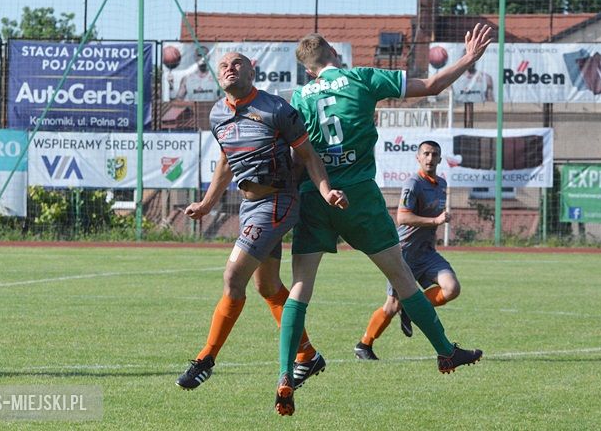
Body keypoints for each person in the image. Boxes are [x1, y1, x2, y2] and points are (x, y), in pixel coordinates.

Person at [274, 24, 492, 416]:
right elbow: (432, 85)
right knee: (402, 279)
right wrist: (468, 58)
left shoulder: (300, 98)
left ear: (307, 70)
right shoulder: (361, 77)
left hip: (315, 195)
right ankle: (445, 352)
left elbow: (296, 156)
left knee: (301, 287)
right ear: (335, 55)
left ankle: (286, 374)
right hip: (359, 195)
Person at [176, 52, 348, 391]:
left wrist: (326, 190)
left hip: (278, 202)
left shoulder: (276, 109)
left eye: (237, 63)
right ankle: (307, 355)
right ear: (218, 76)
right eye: (224, 65)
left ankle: (205, 359)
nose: (229, 68)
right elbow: (226, 161)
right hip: (249, 206)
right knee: (267, 286)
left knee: (232, 277)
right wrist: (207, 204)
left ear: (252, 72)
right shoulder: (217, 114)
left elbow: (308, 155)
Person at [354, 140, 461, 360]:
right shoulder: (413, 184)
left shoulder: (441, 184)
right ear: (418, 157)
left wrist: (440, 219)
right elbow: (402, 217)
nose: (430, 158)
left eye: (434, 154)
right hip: (404, 253)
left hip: (427, 253)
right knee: (392, 305)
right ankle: (364, 345)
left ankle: (410, 309)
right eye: (426, 154)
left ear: (440, 159)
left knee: (452, 288)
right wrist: (435, 221)